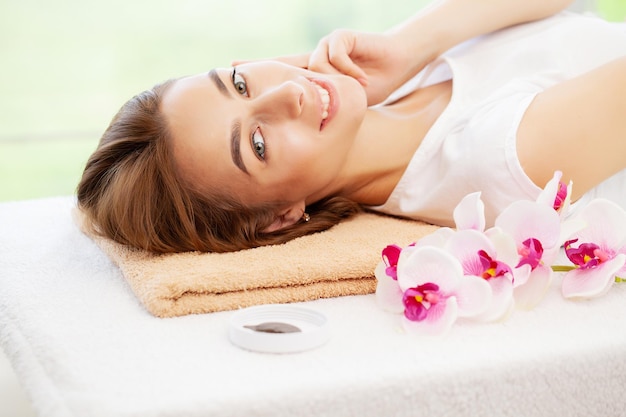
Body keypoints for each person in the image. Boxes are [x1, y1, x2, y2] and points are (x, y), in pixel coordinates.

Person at [77, 0, 626, 254]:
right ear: (278, 219)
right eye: (258, 142)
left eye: (240, 83)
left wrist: (411, 43)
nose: (286, 92)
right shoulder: (495, 160)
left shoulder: (391, 86)